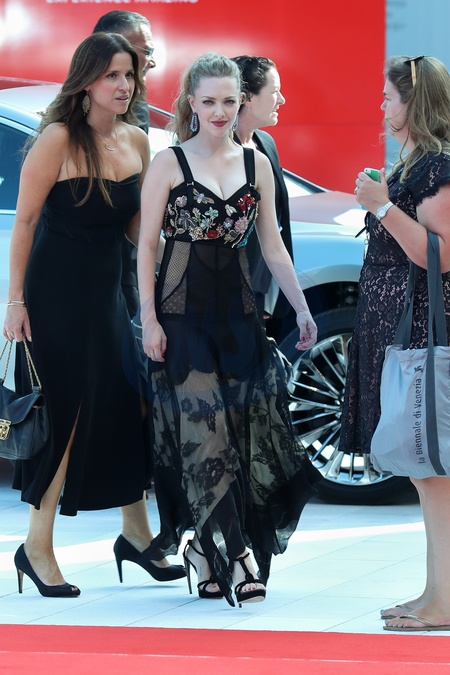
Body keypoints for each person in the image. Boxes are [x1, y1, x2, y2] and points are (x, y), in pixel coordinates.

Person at [2, 32, 184, 598]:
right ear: (86, 81)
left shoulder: (137, 140)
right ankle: (36, 546)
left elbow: (136, 230)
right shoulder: (57, 138)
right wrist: (15, 302)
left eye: (129, 75)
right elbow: (25, 222)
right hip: (55, 294)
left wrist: (181, 264)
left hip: (108, 295)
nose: (124, 85)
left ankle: (136, 534)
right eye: (112, 75)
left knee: (125, 404)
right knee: (67, 414)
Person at [137, 52, 321, 607]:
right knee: (206, 437)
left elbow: (273, 245)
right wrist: (149, 319)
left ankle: (203, 551)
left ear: (240, 101)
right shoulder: (168, 163)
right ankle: (238, 554)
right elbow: (146, 248)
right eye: (209, 101)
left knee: (240, 441)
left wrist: (302, 309)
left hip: (239, 321)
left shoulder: (256, 162)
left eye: (229, 101)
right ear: (191, 103)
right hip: (180, 320)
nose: (219, 111)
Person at [340, 55, 450, 631]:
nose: (381, 106)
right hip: (401, 332)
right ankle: (436, 593)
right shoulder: (414, 164)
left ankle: (443, 601)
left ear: (414, 102)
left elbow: (441, 253)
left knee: (434, 471)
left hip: (424, 332)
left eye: (388, 97)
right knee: (425, 472)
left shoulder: (437, 167)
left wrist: (380, 206)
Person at [93, 10, 156, 319]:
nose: (152, 61)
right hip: (74, 274)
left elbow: (136, 203)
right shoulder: (59, 132)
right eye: (147, 50)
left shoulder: (136, 118)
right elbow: (28, 218)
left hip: (121, 265)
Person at [231, 55, 293, 328]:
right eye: (275, 91)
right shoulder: (216, 151)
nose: (282, 100)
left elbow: (275, 226)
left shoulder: (265, 142)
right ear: (247, 98)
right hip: (223, 291)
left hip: (256, 292)